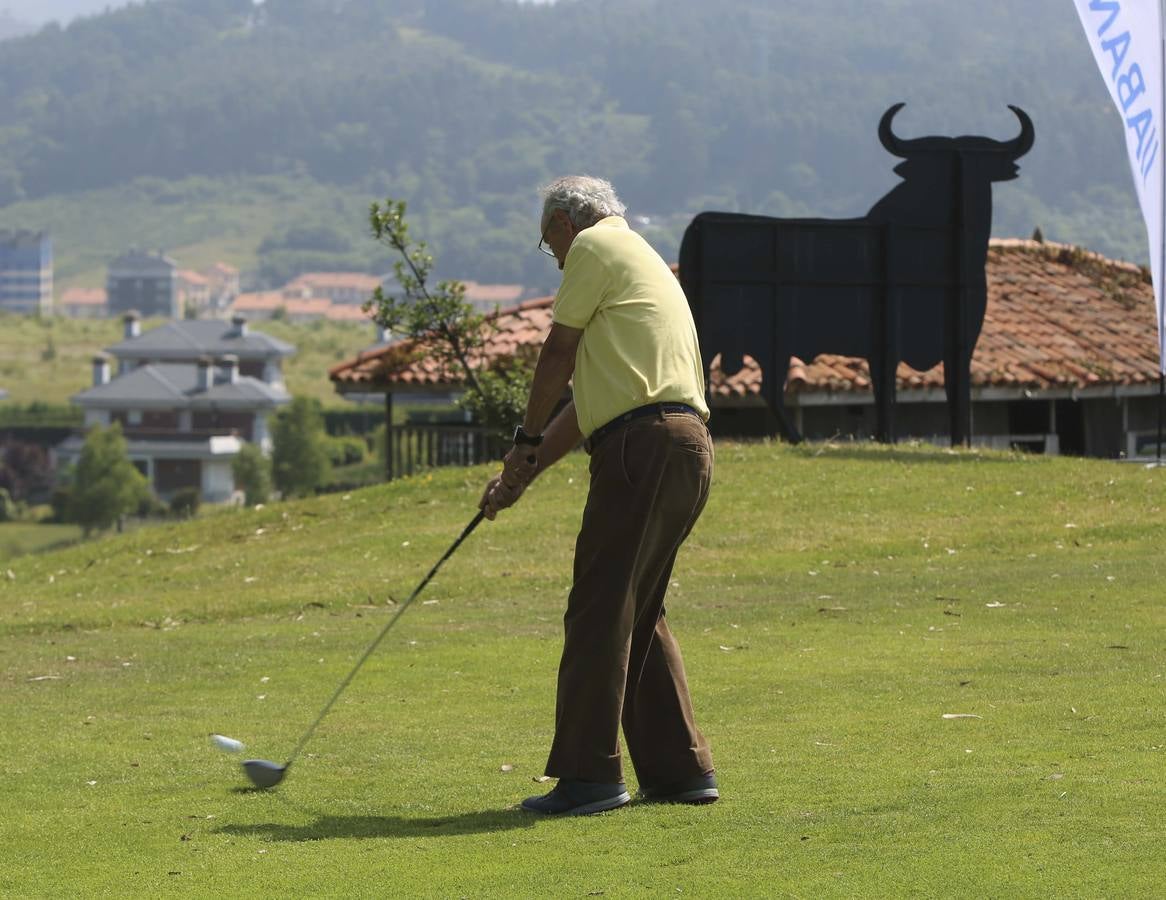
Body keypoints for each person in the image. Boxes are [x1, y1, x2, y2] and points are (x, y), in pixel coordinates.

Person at [480, 175, 718, 816]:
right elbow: (587, 404)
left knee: (597, 606)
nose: (554, 258)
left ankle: (590, 776)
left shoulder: (592, 248)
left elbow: (558, 351)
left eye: (546, 243)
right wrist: (521, 474)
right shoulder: (638, 258)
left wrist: (524, 436)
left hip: (642, 448)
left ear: (563, 221)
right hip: (685, 446)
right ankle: (679, 772)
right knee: (637, 609)